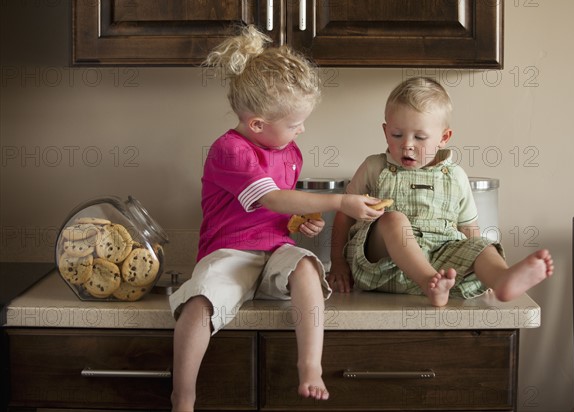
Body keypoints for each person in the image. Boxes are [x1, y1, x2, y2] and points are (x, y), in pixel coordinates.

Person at [169, 25, 384, 412]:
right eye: (294, 123)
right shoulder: (230, 151)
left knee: (305, 266)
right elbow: (270, 196)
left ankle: (309, 366)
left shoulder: (289, 151)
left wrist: (301, 223)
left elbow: (278, 210)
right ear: (257, 124)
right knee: (200, 302)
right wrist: (340, 202)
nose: (302, 129)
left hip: (275, 251)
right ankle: (183, 395)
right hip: (230, 253)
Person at [327, 77, 554, 307]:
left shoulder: (455, 176)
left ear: (443, 138)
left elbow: (469, 229)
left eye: (419, 137)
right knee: (393, 219)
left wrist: (480, 272)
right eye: (397, 135)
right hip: (383, 265)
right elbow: (344, 212)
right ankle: (429, 283)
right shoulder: (374, 167)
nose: (407, 144)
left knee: (481, 244)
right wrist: (337, 261)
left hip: (440, 264)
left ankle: (500, 278)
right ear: (385, 131)